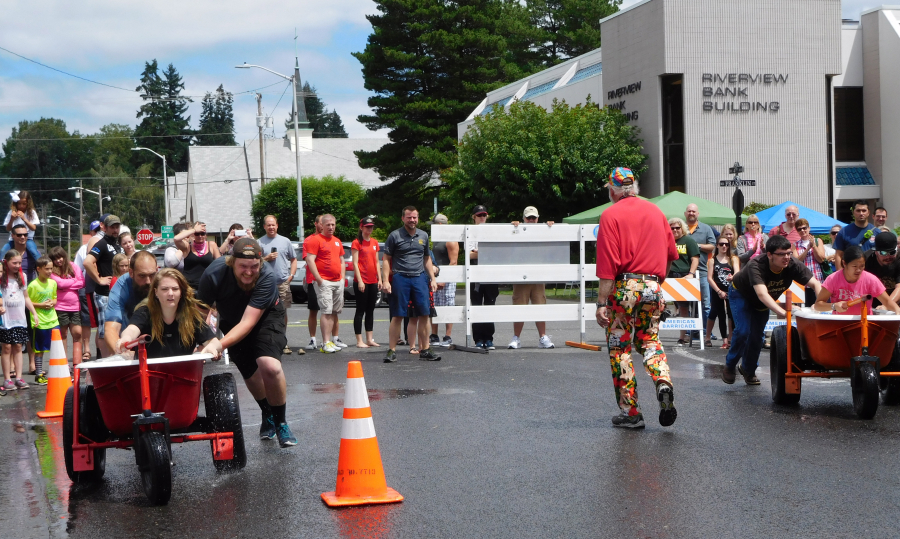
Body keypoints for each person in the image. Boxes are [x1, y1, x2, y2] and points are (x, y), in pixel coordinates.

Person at [595, 167, 678, 429]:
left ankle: (631, 412)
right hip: (653, 286)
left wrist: (600, 303)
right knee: (650, 340)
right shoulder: (656, 212)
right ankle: (663, 381)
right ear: (636, 188)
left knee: (621, 347)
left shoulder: (610, 215)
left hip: (625, 286)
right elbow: (670, 255)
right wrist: (654, 285)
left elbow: (608, 266)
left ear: (612, 191)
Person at [196, 237, 297, 447]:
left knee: (269, 366)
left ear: (260, 263)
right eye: (243, 266)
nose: (249, 272)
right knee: (251, 374)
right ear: (232, 262)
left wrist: (219, 344)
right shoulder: (214, 274)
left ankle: (281, 423)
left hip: (266, 316)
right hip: (232, 319)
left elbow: (248, 323)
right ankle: (267, 413)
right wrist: (205, 340)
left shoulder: (267, 276)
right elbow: (200, 314)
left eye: (254, 266)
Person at [724, 235, 822, 386]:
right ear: (769, 255)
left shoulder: (793, 264)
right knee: (743, 331)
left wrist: (818, 305)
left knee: (757, 337)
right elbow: (762, 294)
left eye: (789, 253)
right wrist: (782, 312)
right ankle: (730, 366)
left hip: (763, 300)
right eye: (781, 254)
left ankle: (748, 370)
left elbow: (816, 284)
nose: (787, 257)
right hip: (741, 295)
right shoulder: (755, 265)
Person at [381, 206, 441, 363]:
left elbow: (427, 258)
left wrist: (432, 279)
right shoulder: (394, 236)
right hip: (401, 277)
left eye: (414, 217)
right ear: (403, 218)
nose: (412, 220)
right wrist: (386, 280)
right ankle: (391, 350)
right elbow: (386, 259)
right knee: (398, 315)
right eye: (409, 217)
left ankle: (426, 349)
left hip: (420, 278)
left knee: (424, 314)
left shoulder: (423, 235)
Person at [117, 269, 221, 358]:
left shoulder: (191, 316)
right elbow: (131, 329)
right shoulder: (145, 311)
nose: (170, 293)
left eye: (175, 289)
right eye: (165, 289)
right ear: (156, 292)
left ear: (181, 293)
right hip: (149, 375)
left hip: (183, 374)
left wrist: (212, 347)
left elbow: (215, 342)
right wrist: (126, 338)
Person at [507, 206, 555, 350]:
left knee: (540, 305)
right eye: (529, 218)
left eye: (534, 218)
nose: (531, 220)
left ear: (538, 219)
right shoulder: (517, 230)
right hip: (521, 275)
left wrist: (551, 228)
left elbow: (551, 243)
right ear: (524, 219)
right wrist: (513, 228)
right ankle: (516, 338)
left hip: (538, 275)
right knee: (519, 306)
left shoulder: (543, 230)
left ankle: (542, 337)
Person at [814, 245, 900, 316]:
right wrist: (834, 306)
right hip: (840, 325)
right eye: (855, 266)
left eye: (862, 266)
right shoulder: (833, 279)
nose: (859, 270)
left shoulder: (871, 279)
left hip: (865, 325)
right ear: (844, 263)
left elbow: (887, 301)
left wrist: (897, 310)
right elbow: (818, 305)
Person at [83, 214, 124, 357]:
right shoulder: (101, 243)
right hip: (104, 294)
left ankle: (114, 358)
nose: (115, 230)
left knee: (116, 327)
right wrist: (99, 279)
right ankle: (105, 360)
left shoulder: (116, 244)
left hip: (116, 292)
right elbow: (88, 262)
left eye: (117, 226)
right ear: (105, 228)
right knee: (103, 330)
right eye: (112, 227)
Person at [258, 215, 300, 355]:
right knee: (265, 313)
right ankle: (266, 342)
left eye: (273, 225)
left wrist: (291, 276)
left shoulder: (285, 241)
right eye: (268, 225)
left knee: (282, 312)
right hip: (265, 283)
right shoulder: (259, 242)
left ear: (277, 226)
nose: (271, 227)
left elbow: (293, 259)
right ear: (264, 226)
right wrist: (266, 258)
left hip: (282, 283)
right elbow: (254, 263)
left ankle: (282, 341)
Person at [103, 250, 159, 353]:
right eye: (142, 276)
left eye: (152, 275)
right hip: (130, 337)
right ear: (131, 273)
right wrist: (123, 354)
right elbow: (111, 328)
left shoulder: (164, 283)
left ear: (157, 270)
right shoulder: (121, 287)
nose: (148, 281)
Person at [305, 214, 345, 354]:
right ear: (321, 225)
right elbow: (310, 260)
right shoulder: (315, 240)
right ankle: (325, 342)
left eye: (333, 224)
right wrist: (319, 279)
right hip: (324, 281)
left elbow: (341, 261)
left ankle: (330, 341)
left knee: (334, 312)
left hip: (337, 281)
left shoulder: (337, 241)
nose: (331, 227)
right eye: (328, 225)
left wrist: (342, 278)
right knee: (326, 311)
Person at [0, 251, 38, 390]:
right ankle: (7, 379)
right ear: (6, 262)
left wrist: (34, 313)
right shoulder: (1, 277)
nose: (17, 265)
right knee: (7, 347)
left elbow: (26, 297)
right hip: (6, 319)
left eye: (19, 263)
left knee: (18, 347)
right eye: (14, 263)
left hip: (19, 318)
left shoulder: (22, 277)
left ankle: (19, 377)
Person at [469, 205, 500, 350]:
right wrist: (484, 252)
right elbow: (469, 254)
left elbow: (496, 253)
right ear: (473, 217)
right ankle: (478, 339)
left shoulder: (493, 232)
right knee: (475, 306)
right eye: (479, 215)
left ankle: (488, 338)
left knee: (490, 306)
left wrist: (479, 252)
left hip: (490, 274)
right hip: (474, 274)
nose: (482, 217)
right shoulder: (469, 232)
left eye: (484, 215)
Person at [49, 246, 84, 366]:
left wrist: (66, 285)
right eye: (55, 259)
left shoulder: (73, 266)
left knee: (77, 333)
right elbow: (59, 283)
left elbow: (81, 282)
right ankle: (64, 364)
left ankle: (77, 363)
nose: (58, 260)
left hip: (74, 306)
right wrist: (73, 282)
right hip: (60, 307)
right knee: (62, 334)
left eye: (60, 257)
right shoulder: (52, 271)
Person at [27, 256, 60, 386]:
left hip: (53, 320)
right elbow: (28, 302)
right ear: (38, 269)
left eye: (51, 268)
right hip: (39, 321)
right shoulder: (33, 285)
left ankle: (57, 371)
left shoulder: (53, 283)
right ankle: (39, 374)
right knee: (39, 349)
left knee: (56, 347)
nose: (49, 271)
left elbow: (55, 299)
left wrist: (52, 303)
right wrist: (41, 305)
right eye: (46, 269)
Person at [667, 217, 699, 346]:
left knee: (683, 308)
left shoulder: (688, 241)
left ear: (682, 229)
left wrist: (691, 273)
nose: (675, 230)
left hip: (684, 276)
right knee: (661, 306)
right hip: (668, 276)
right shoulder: (666, 240)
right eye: (672, 228)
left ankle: (683, 336)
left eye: (677, 228)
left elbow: (695, 259)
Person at [684, 203, 715, 334]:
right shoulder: (680, 228)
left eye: (694, 211)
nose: (691, 213)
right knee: (685, 303)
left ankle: (707, 332)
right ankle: (688, 331)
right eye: (689, 211)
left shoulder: (706, 228)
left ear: (698, 214)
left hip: (702, 271)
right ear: (685, 213)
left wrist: (696, 246)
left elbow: (712, 246)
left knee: (706, 304)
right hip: (684, 272)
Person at [351, 216, 382, 348]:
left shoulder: (374, 242)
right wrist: (360, 281)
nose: (369, 229)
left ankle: (369, 338)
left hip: (373, 280)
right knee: (360, 310)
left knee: (371, 310)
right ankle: (359, 341)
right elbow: (355, 262)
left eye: (371, 227)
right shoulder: (357, 242)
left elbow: (376, 262)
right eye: (367, 226)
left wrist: (380, 279)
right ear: (361, 227)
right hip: (362, 280)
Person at [429, 213, 458, 347]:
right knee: (434, 304)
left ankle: (448, 336)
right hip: (436, 276)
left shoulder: (450, 239)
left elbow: (453, 262)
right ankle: (434, 335)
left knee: (448, 304)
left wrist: (445, 280)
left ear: (439, 225)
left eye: (434, 225)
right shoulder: (436, 239)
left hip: (448, 278)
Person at [75, 219, 102, 361]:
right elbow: (78, 269)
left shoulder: (108, 246)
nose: (98, 233)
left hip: (104, 288)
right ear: (91, 233)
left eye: (100, 230)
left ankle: (100, 349)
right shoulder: (83, 249)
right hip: (88, 288)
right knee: (86, 320)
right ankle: (86, 349)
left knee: (102, 320)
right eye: (95, 231)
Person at [706, 235, 735, 349]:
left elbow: (737, 272)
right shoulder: (713, 260)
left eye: (726, 244)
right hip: (717, 290)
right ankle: (718, 338)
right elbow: (709, 278)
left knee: (731, 314)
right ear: (717, 245)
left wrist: (732, 277)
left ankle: (730, 339)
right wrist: (718, 291)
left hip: (730, 290)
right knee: (719, 314)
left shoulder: (732, 259)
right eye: (721, 244)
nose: (724, 246)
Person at [791, 218, 826, 307]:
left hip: (818, 278)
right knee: (807, 308)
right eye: (799, 229)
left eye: (804, 228)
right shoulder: (795, 245)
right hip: (804, 280)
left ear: (809, 228)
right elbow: (797, 261)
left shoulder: (818, 241)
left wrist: (813, 245)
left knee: (820, 305)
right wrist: (807, 249)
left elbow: (821, 259)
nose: (802, 231)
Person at [834, 200, 877, 270]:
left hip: (872, 273)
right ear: (853, 212)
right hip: (851, 274)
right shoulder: (844, 232)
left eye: (864, 210)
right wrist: (840, 276)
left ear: (868, 212)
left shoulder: (877, 232)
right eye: (858, 211)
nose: (861, 213)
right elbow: (839, 255)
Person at [0, 190, 41, 264]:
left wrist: (24, 218)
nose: (21, 206)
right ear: (16, 203)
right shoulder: (11, 212)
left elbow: (33, 228)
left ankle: (41, 266)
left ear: (28, 203)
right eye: (19, 204)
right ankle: (1, 267)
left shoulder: (31, 212)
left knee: (33, 252)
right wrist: (12, 219)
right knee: (3, 251)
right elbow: (8, 228)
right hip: (13, 239)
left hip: (28, 239)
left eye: (24, 204)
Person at [180, 221, 221, 291]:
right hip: (189, 287)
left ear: (206, 235)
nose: (200, 236)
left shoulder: (211, 245)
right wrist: (193, 230)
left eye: (202, 233)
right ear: (193, 234)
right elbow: (176, 239)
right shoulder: (187, 246)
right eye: (197, 234)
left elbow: (220, 264)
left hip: (207, 285)